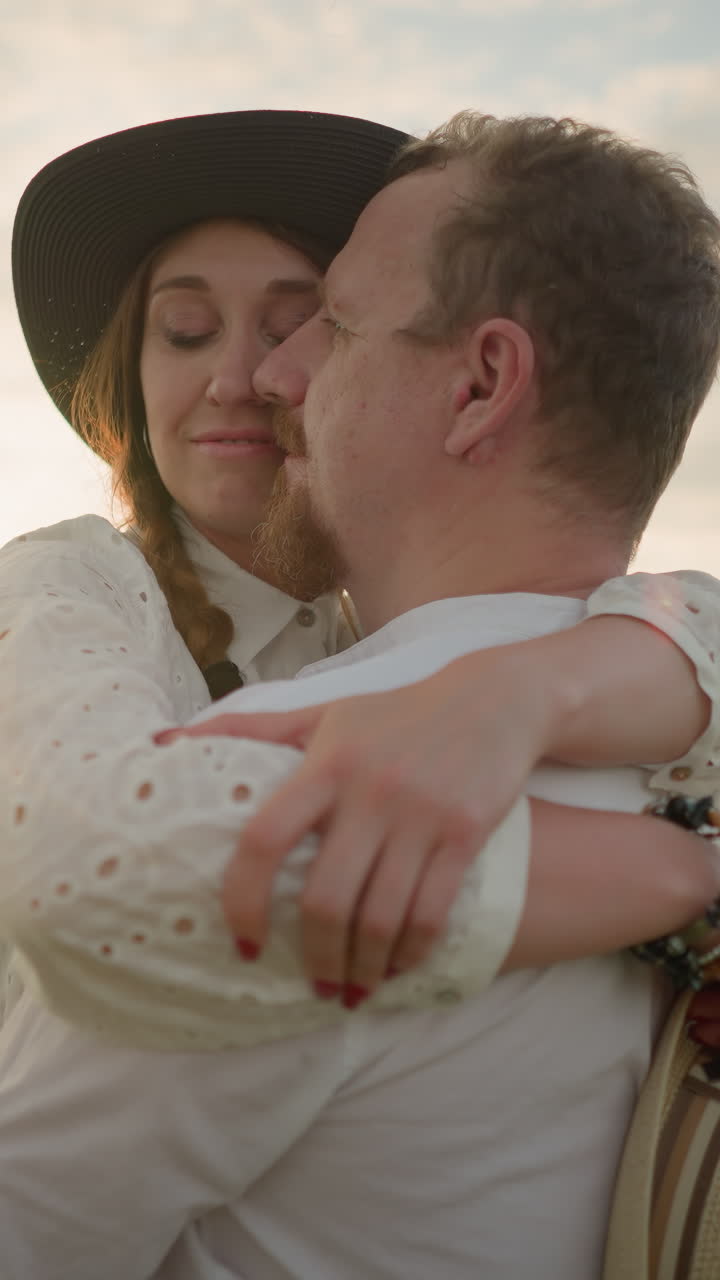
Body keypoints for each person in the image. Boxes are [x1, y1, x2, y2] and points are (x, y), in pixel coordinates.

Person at [1, 108, 720, 1279]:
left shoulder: (304, 755)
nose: (262, 377)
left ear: (483, 383)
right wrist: (685, 870)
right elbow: (105, 850)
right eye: (185, 330)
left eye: (320, 324)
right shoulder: (673, 746)